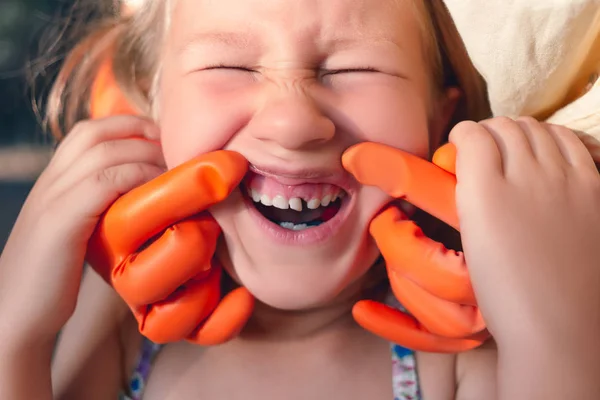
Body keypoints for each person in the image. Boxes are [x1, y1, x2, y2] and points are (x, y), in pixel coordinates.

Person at [1, 0, 599, 399]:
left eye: (356, 66)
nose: (292, 122)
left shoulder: (459, 361)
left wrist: (552, 330)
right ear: (151, 110)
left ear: (439, 117)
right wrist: (15, 327)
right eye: (229, 63)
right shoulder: (117, 322)